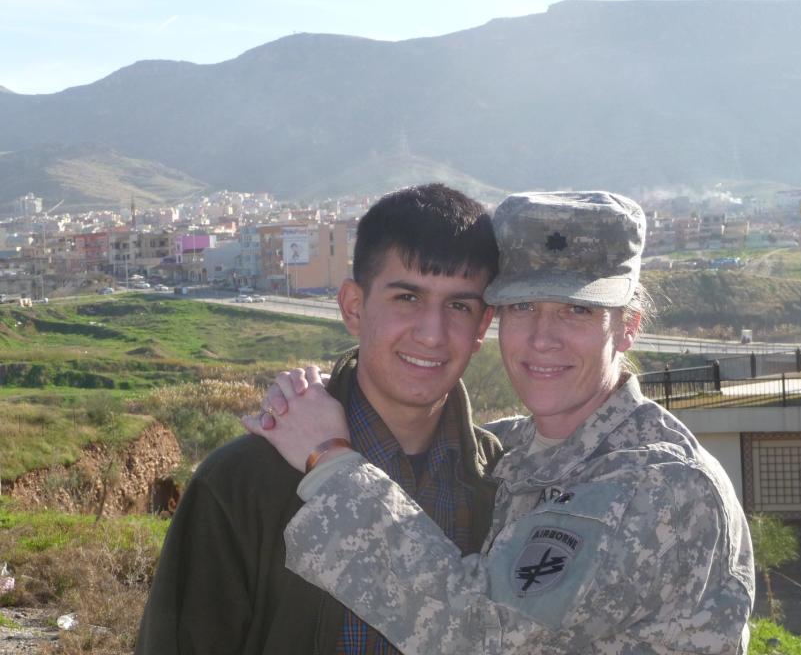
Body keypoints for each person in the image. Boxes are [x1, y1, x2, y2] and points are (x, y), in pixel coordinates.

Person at [248, 191, 755, 654]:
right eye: (522, 306)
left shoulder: (660, 482)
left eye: (577, 310)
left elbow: (478, 635)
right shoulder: (505, 450)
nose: (542, 338)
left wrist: (330, 460)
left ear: (628, 328)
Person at [135, 183, 503, 654]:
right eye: (407, 298)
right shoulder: (245, 482)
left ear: (482, 327)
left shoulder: (506, 484)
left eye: (458, 305)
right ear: (353, 305)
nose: (432, 334)